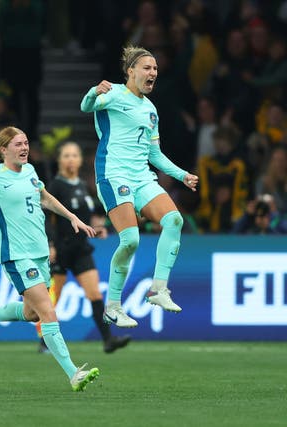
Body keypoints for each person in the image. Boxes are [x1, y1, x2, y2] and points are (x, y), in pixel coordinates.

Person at [0, 126, 100, 392]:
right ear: (3, 150)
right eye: (18, 144)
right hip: (16, 256)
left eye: (26, 143)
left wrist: (73, 217)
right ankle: (73, 373)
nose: (24, 148)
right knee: (47, 312)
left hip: (40, 252)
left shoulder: (30, 171)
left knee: (31, 313)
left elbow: (45, 198)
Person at [80, 45, 199, 328]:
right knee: (130, 240)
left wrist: (182, 175)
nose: (153, 73)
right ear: (130, 71)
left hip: (141, 176)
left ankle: (158, 289)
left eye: (155, 69)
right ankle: (113, 306)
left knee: (173, 220)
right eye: (147, 67)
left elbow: (154, 155)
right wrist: (93, 91)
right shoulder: (112, 94)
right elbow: (85, 107)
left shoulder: (150, 109)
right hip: (113, 174)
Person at [37, 141, 131, 354]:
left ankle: (108, 340)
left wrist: (96, 228)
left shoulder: (82, 185)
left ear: (80, 160)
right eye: (66, 155)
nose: (71, 159)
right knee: (53, 298)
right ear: (60, 160)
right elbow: (46, 218)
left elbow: (87, 215)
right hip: (61, 249)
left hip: (81, 248)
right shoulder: (55, 186)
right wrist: (50, 244)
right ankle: (45, 341)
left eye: (74, 155)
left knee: (95, 295)